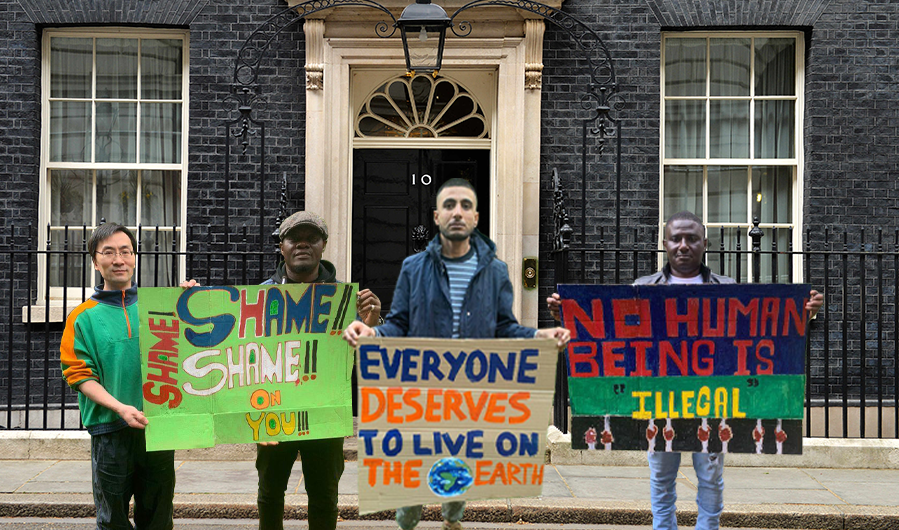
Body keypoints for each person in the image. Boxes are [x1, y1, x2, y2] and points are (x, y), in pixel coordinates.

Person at [547, 211, 824, 530]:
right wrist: (565, 315)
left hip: (714, 401)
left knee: (711, 479)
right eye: (676, 238)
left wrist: (802, 313)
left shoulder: (727, 288)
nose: (683, 245)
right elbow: (609, 332)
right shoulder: (642, 287)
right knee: (661, 478)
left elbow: (765, 330)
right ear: (665, 243)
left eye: (691, 238)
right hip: (660, 401)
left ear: (705, 243)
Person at [343, 178, 570, 530]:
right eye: (449, 205)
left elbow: (504, 328)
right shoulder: (413, 267)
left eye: (466, 205)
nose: (457, 212)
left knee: (457, 465)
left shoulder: (495, 271)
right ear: (437, 216)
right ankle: (408, 519)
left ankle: (452, 520)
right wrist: (372, 332)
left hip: (467, 388)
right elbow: (399, 322)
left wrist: (539, 335)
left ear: (476, 217)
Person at [184, 210, 381, 530]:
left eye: (311, 238)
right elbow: (233, 351)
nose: (302, 244)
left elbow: (367, 360)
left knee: (324, 496)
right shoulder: (259, 296)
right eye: (294, 238)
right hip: (272, 412)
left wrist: (370, 324)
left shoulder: (348, 301)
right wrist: (185, 300)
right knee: (270, 492)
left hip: (324, 415)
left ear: (323, 244)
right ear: (281, 246)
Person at [60, 222, 175, 530]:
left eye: (126, 251)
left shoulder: (161, 307)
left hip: (158, 428)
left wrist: (192, 301)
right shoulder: (81, 317)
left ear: (134, 257)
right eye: (108, 252)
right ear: (95, 263)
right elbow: (78, 375)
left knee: (159, 522)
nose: (119, 259)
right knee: (113, 522)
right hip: (109, 431)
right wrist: (120, 408)